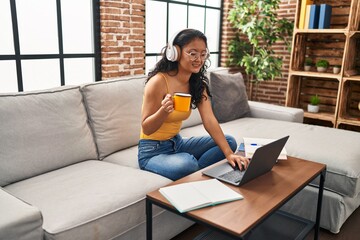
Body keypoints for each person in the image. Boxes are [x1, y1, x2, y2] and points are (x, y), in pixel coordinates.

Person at [138, 29, 249, 181]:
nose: (199, 59)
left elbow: (209, 120)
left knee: (229, 142)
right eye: (192, 53)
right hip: (152, 151)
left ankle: (194, 172)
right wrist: (163, 111)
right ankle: (193, 169)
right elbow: (147, 128)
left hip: (178, 143)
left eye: (203, 54)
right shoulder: (158, 82)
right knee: (187, 165)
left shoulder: (197, 84)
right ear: (175, 53)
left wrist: (229, 154)